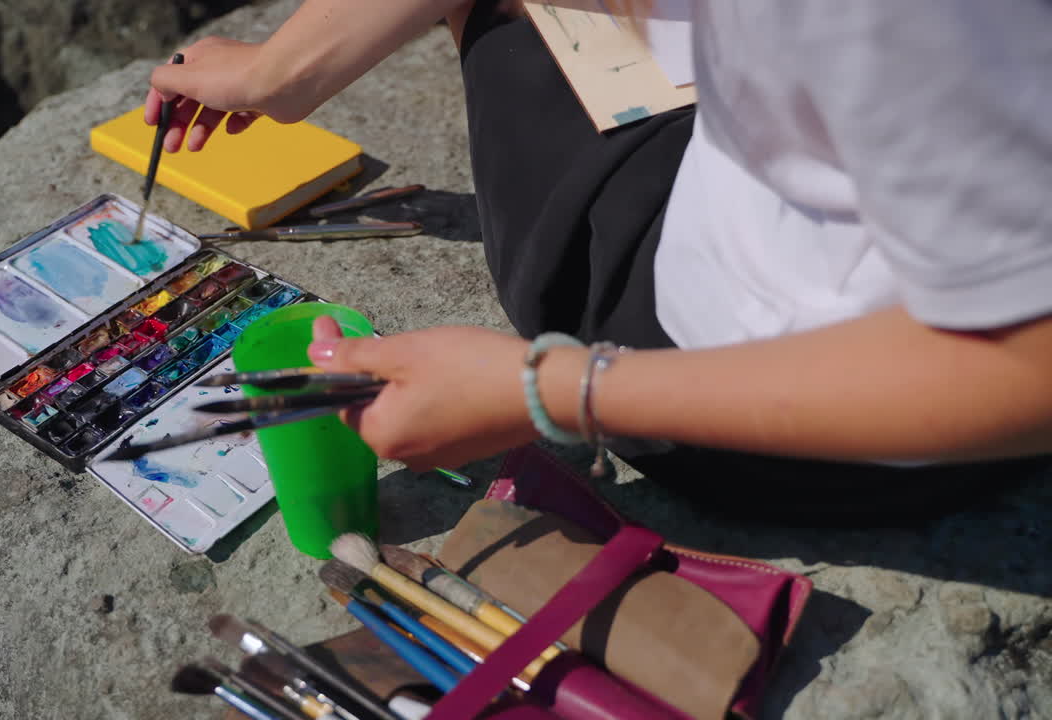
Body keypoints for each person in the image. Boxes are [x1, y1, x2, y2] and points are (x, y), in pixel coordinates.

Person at [147, 0, 1052, 521]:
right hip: (788, 211)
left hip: (814, 404)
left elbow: (1029, 361)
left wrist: (550, 388)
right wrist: (279, 74)